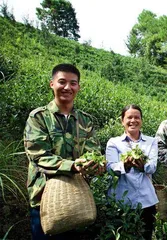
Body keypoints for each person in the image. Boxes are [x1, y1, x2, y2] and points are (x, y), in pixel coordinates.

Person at [24, 63, 104, 239]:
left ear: (78, 87)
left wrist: (96, 165)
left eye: (73, 83)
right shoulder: (38, 117)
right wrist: (73, 166)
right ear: (52, 84)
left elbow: (93, 152)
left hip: (77, 199)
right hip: (45, 198)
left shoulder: (85, 120)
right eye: (62, 82)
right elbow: (38, 155)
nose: (67, 87)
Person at [106, 104, 158, 240]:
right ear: (122, 121)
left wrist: (142, 166)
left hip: (146, 200)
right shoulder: (114, 142)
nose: (133, 120)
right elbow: (110, 168)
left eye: (137, 117)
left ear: (141, 120)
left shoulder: (152, 142)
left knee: (145, 235)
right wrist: (125, 166)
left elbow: (152, 166)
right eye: (129, 117)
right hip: (121, 200)